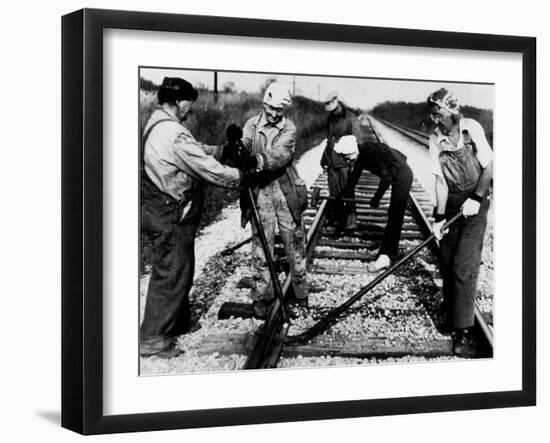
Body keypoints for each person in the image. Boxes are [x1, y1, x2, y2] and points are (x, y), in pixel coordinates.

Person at [140, 77, 242, 358]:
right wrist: (241, 177)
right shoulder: (173, 132)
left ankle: (176, 322)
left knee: (177, 266)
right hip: (169, 212)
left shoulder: (158, 123)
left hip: (157, 207)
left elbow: (193, 151)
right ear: (177, 102)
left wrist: (221, 150)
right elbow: (204, 166)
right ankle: (153, 338)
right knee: (172, 271)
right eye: (188, 103)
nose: (191, 108)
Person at [426, 88, 493, 357]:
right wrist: (439, 217)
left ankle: (463, 329)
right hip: (453, 202)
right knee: (446, 258)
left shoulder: (471, 129)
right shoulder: (435, 139)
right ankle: (450, 308)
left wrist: (477, 197)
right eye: (432, 115)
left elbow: (489, 167)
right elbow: (440, 180)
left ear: (452, 111)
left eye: (438, 114)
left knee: (463, 266)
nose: (434, 120)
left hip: (475, 202)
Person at [239, 82, 309, 317]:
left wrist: (257, 161)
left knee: (294, 242)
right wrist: (239, 149)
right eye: (271, 108)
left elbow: (281, 154)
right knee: (261, 244)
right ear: (264, 104)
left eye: (279, 110)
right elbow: (246, 143)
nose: (274, 114)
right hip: (260, 190)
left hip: (284, 188)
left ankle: (301, 293)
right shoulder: (251, 124)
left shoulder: (289, 128)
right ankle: (261, 297)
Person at [341, 139, 413, 272]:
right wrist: (342, 195)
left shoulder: (369, 152)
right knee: (393, 213)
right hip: (396, 170)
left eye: (348, 157)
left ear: (353, 150)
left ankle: (387, 256)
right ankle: (386, 251)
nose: (348, 161)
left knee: (395, 214)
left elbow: (386, 179)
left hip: (402, 174)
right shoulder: (360, 154)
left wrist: (377, 197)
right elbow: (354, 177)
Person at [320, 91, 360, 232]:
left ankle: (350, 223)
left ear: (339, 104)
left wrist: (353, 164)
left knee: (348, 193)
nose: (334, 111)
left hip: (345, 163)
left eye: (335, 108)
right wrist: (324, 159)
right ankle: (337, 220)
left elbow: (357, 142)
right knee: (334, 194)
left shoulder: (351, 118)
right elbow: (329, 140)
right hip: (332, 162)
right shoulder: (330, 119)